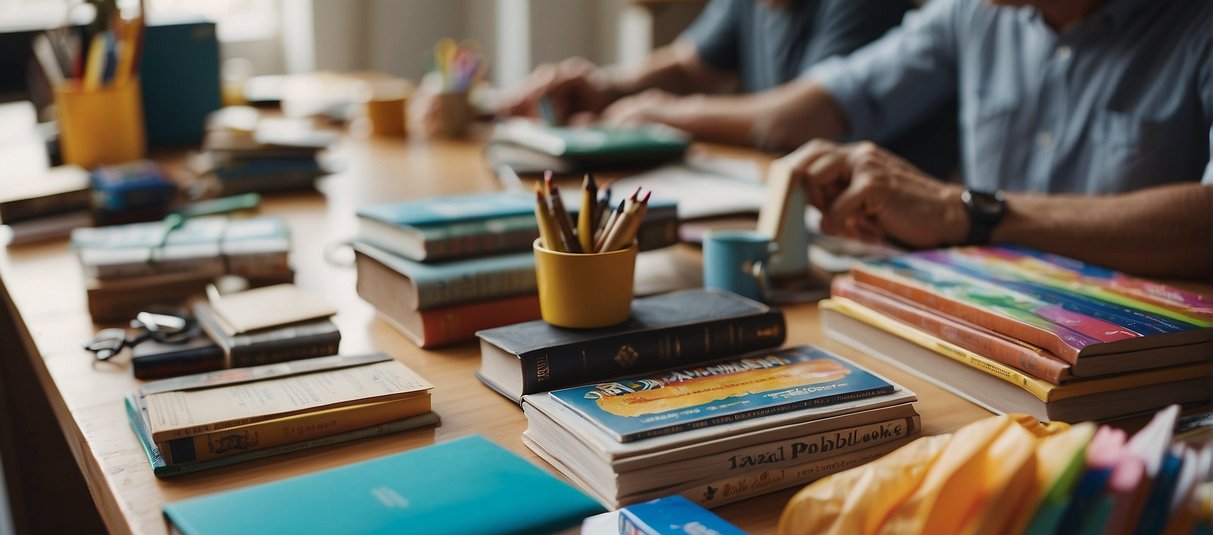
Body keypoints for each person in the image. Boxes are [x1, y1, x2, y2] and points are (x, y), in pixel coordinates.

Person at [734, 0, 1212, 279]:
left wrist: (960, 211)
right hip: (993, 320)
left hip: (1145, 366)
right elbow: (839, 96)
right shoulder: (973, 12)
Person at [491, 0, 956, 176]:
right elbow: (691, 64)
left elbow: (795, 122)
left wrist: (661, 112)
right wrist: (607, 85)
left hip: (876, 238)